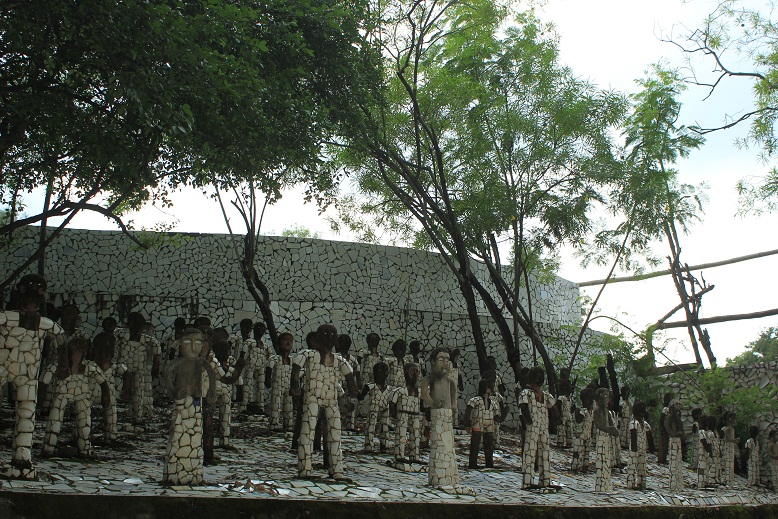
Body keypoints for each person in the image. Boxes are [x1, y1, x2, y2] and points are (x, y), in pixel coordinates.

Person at [0, 274, 62, 478]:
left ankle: (22, 457)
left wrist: (62, 364)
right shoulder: (10, 318)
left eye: (39, 288)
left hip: (29, 373)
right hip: (5, 364)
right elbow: (60, 336)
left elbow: (61, 339)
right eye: (31, 287)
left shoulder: (43, 323)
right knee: (26, 411)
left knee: (27, 412)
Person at [291, 324, 357, 480]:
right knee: (308, 430)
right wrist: (294, 386)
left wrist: (352, 391)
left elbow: (349, 377)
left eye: (333, 334)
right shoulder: (307, 354)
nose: (330, 336)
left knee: (335, 433)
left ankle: (336, 470)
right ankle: (305, 469)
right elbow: (296, 370)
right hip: (312, 397)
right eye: (326, 333)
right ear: (317, 338)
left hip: (331, 399)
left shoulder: (338, 359)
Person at [163, 327, 216, 485]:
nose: (193, 346)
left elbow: (212, 376)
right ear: (180, 344)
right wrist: (173, 392)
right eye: (188, 342)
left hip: (196, 400)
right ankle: (177, 468)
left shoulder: (201, 362)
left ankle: (192, 467)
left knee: (195, 431)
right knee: (179, 430)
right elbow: (167, 374)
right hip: (181, 400)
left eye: (198, 342)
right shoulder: (179, 362)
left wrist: (211, 393)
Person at [420, 347, 458, 487]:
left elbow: (453, 396)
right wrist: (433, 403)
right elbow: (425, 395)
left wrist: (453, 406)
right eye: (441, 359)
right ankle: (438, 477)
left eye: (447, 359)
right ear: (433, 361)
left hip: (447, 415)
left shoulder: (450, 381)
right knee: (437, 447)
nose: (445, 362)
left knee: (448, 446)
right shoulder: (428, 379)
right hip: (437, 415)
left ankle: (450, 476)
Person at [519, 366, 556, 489]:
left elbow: (554, 408)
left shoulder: (546, 396)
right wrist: (529, 421)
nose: (540, 378)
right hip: (533, 427)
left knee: (545, 452)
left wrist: (557, 419)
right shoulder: (526, 393)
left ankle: (545, 480)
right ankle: (527, 481)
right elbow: (523, 407)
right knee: (530, 451)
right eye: (537, 375)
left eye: (542, 376)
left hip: (544, 427)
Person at [464, 377, 501, 469]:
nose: (489, 390)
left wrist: (499, 418)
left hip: (489, 423)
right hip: (478, 422)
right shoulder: (475, 400)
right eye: (488, 387)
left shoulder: (493, 403)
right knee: (475, 443)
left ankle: (489, 463)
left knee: (488, 443)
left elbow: (496, 416)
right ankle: (472, 463)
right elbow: (468, 411)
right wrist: (467, 424)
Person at [390, 362, 421, 463]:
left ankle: (415, 456)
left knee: (415, 435)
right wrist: (393, 412)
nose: (415, 374)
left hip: (415, 415)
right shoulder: (401, 390)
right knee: (401, 434)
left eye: (417, 371)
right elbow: (392, 401)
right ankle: (399, 455)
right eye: (412, 371)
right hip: (403, 414)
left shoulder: (419, 392)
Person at [359, 361, 391, 453]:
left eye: (382, 372)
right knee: (371, 424)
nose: (379, 375)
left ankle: (384, 444)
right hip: (374, 406)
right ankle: (369, 445)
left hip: (385, 406)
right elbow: (361, 396)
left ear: (386, 374)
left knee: (385, 426)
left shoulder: (389, 388)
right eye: (377, 372)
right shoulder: (370, 386)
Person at [267, 332, 295, 431]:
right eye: (285, 340)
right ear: (279, 344)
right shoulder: (274, 359)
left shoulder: (292, 360)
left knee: (289, 405)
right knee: (276, 404)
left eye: (290, 341)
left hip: (288, 386)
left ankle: (288, 423)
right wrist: (268, 380)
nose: (288, 343)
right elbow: (269, 370)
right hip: (277, 386)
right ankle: (274, 424)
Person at [593, 387, 618, 492]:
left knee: (607, 461)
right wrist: (611, 429)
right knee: (601, 460)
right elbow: (599, 425)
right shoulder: (597, 411)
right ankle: (601, 485)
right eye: (605, 397)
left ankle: (606, 484)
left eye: (608, 397)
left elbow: (611, 425)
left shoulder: (607, 412)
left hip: (607, 439)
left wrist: (613, 430)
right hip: (601, 438)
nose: (607, 400)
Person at [626, 401, 651, 490]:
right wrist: (634, 448)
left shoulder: (645, 424)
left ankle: (641, 483)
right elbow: (633, 435)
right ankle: (630, 484)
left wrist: (651, 447)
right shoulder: (634, 423)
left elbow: (649, 436)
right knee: (632, 466)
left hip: (643, 448)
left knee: (642, 467)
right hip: (635, 448)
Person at [666, 398, 685, 490]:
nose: (679, 406)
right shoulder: (670, 416)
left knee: (678, 459)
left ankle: (678, 481)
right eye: (677, 404)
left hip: (677, 438)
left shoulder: (677, 417)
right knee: (674, 460)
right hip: (673, 438)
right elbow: (668, 426)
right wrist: (673, 434)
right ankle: (674, 483)